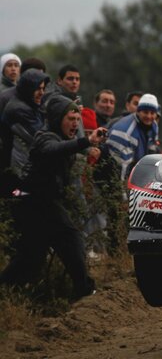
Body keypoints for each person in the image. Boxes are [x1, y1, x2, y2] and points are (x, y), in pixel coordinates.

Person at [0, 95, 107, 300]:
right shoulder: (45, 136)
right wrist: (86, 141)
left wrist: (88, 148)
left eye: (78, 119)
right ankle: (84, 290)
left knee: (30, 258)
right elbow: (53, 149)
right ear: (58, 118)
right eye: (70, 118)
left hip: (40, 204)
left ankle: (8, 292)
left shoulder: (64, 139)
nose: (75, 123)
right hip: (34, 202)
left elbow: (67, 150)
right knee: (70, 237)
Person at [3, 69, 49, 177]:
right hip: (22, 168)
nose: (42, 93)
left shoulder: (29, 103)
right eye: (38, 89)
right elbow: (41, 138)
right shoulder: (19, 109)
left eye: (43, 88)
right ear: (28, 89)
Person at [107, 93, 159, 180]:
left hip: (134, 169)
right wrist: (123, 192)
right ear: (138, 111)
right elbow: (121, 169)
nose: (149, 116)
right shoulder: (125, 131)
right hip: (111, 172)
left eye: (152, 113)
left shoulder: (154, 125)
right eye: (145, 112)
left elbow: (152, 154)